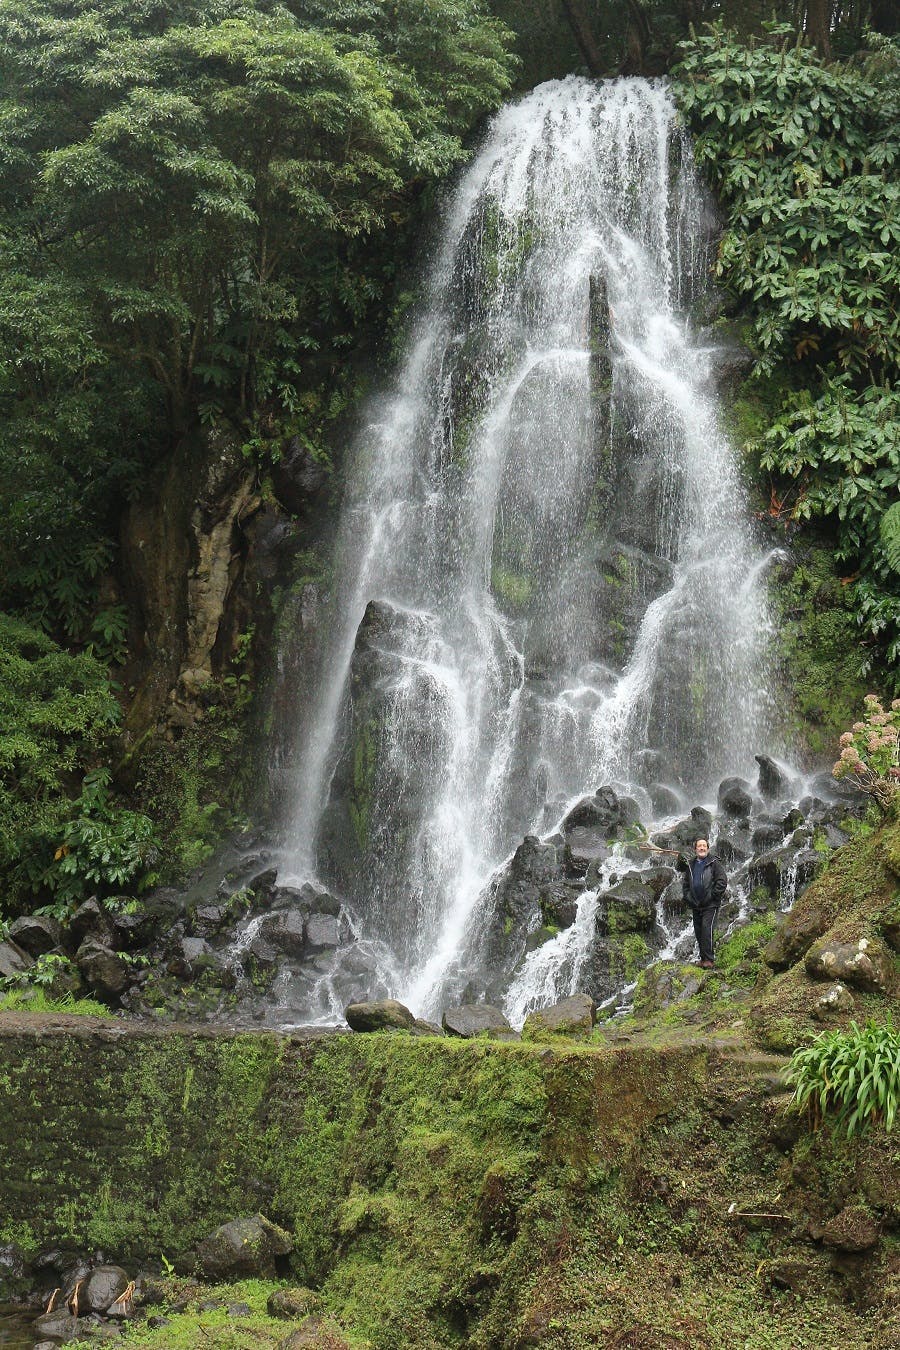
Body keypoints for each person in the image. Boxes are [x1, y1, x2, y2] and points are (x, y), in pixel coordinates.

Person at [681, 838, 727, 969]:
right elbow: (685, 884)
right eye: (699, 846)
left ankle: (709, 960)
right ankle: (703, 958)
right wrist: (689, 898)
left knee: (707, 930)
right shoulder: (691, 864)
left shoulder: (714, 863)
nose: (702, 848)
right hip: (696, 904)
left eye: (704, 846)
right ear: (695, 849)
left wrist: (712, 896)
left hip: (710, 905)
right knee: (699, 930)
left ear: (707, 848)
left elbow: (722, 881)